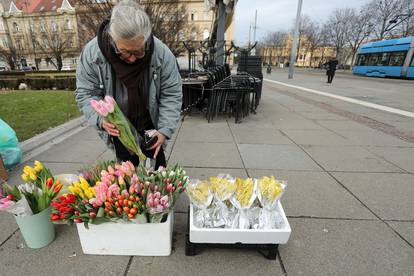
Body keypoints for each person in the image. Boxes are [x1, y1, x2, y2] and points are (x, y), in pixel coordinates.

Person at [75, 0, 182, 169]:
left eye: (139, 51)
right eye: (125, 52)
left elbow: (171, 94)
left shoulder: (162, 54)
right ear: (112, 37)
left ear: (146, 38)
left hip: (150, 122)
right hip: (118, 126)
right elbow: (86, 93)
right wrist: (100, 120)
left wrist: (164, 130)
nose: (132, 58)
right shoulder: (92, 54)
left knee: (157, 174)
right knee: (126, 177)